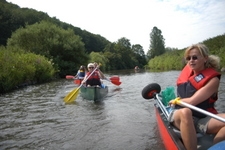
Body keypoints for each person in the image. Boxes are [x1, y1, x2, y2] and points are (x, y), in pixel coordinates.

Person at [168, 43, 225, 150]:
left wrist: (176, 100)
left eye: (194, 57)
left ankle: (216, 146)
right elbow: (187, 106)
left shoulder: (213, 80)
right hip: (180, 116)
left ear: (205, 58)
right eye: (188, 58)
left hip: (202, 118)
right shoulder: (187, 76)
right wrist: (176, 102)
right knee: (186, 112)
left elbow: (191, 102)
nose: (191, 60)